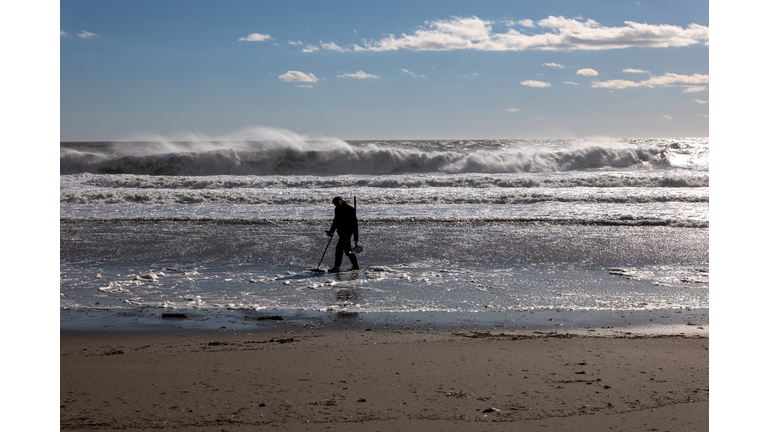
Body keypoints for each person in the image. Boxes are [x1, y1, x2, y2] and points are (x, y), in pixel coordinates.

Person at [325, 196, 359, 272]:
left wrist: (356, 237)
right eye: (334, 204)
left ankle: (337, 267)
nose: (335, 205)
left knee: (339, 249)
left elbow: (355, 224)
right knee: (348, 250)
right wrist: (331, 231)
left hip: (347, 233)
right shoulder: (337, 209)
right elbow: (335, 221)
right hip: (341, 232)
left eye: (336, 203)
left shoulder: (350, 209)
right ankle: (355, 266)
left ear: (340, 202)